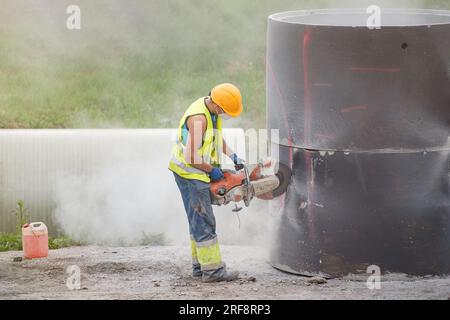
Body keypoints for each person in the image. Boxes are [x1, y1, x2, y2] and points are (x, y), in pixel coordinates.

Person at [169, 83, 245, 282]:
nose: (225, 115)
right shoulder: (199, 119)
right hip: (190, 174)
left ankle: (199, 268)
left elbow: (216, 139)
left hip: (196, 173)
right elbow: (191, 157)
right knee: (204, 221)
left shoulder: (210, 112)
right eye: (226, 112)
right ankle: (213, 272)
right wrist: (212, 170)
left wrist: (234, 156)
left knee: (197, 220)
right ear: (219, 106)